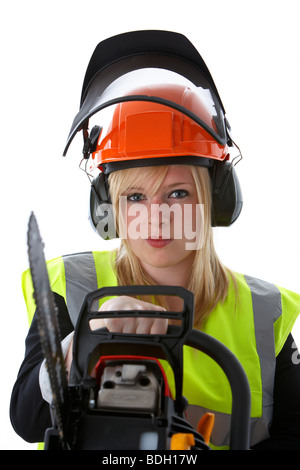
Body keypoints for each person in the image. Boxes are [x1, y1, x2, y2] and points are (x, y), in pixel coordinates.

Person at [10, 30, 300, 450]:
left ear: (215, 197)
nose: (154, 219)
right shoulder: (70, 287)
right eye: (134, 196)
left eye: (177, 193)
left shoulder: (264, 313)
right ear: (106, 207)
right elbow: (26, 418)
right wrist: (86, 339)